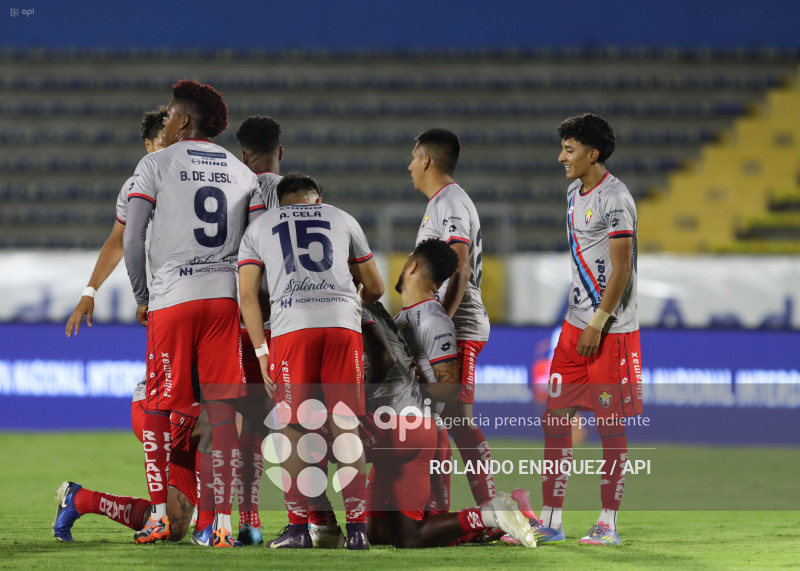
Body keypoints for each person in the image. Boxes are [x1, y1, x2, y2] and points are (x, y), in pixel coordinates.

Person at [123, 79, 265, 547]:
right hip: (224, 300)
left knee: (159, 405)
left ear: (183, 121)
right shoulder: (243, 174)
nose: (165, 122)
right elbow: (256, 248)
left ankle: (159, 516)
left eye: (168, 116)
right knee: (223, 412)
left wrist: (142, 295)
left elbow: (133, 238)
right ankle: (221, 526)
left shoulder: (155, 163)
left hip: (172, 297)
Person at [238, 172, 384, 550]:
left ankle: (298, 529)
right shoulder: (342, 217)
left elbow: (248, 296)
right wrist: (349, 303)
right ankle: (358, 531)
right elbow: (376, 287)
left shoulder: (260, 227)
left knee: (292, 428)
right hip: (342, 327)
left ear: (280, 203)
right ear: (317, 198)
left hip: (292, 329)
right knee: (345, 426)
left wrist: (262, 351)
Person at [369, 239, 535, 548]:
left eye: (405, 261)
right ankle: (502, 513)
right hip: (398, 431)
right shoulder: (402, 318)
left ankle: (495, 515)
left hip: (426, 437)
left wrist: (410, 385)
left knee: (428, 534)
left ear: (413, 266)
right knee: (376, 533)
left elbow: (448, 387)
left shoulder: (434, 319)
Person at [535, 113, 642, 547]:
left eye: (570, 150)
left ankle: (607, 524)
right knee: (555, 418)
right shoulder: (572, 192)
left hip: (610, 330)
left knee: (609, 425)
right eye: (562, 148)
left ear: (592, 154)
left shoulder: (616, 198)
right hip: (573, 325)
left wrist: (598, 322)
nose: (561, 157)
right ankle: (550, 521)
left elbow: (622, 269)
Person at [408, 128, 494, 506]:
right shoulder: (441, 203)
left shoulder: (451, 202)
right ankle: (443, 509)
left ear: (426, 160)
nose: (409, 166)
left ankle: (483, 508)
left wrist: (439, 324)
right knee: (443, 419)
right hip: (449, 327)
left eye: (413, 157)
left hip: (458, 328)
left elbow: (460, 266)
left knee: (452, 420)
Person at [53, 380, 215, 544]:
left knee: (173, 526)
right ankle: (206, 527)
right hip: (159, 401)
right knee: (219, 421)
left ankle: (80, 499)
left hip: (196, 411)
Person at [227, 115, 286, 545]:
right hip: (291, 320)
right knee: (299, 421)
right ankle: (316, 519)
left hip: (247, 320)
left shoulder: (239, 193)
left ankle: (244, 518)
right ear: (280, 151)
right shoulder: (301, 194)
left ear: (243, 156)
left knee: (239, 419)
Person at [65, 107, 167, 338]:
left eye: (173, 145)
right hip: (161, 296)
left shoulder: (190, 181)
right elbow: (118, 242)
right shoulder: (133, 187)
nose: (168, 152)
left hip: (191, 291)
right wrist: (90, 292)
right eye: (163, 145)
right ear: (148, 145)